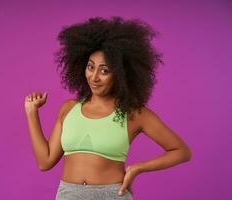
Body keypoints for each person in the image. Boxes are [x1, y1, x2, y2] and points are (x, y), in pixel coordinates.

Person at [24, 16, 192, 200]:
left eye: (104, 70)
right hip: (68, 195)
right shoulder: (68, 109)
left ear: (120, 74)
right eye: (90, 67)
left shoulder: (134, 114)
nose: (94, 77)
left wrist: (139, 168)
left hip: (112, 195)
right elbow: (45, 162)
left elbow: (181, 151)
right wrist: (32, 113)